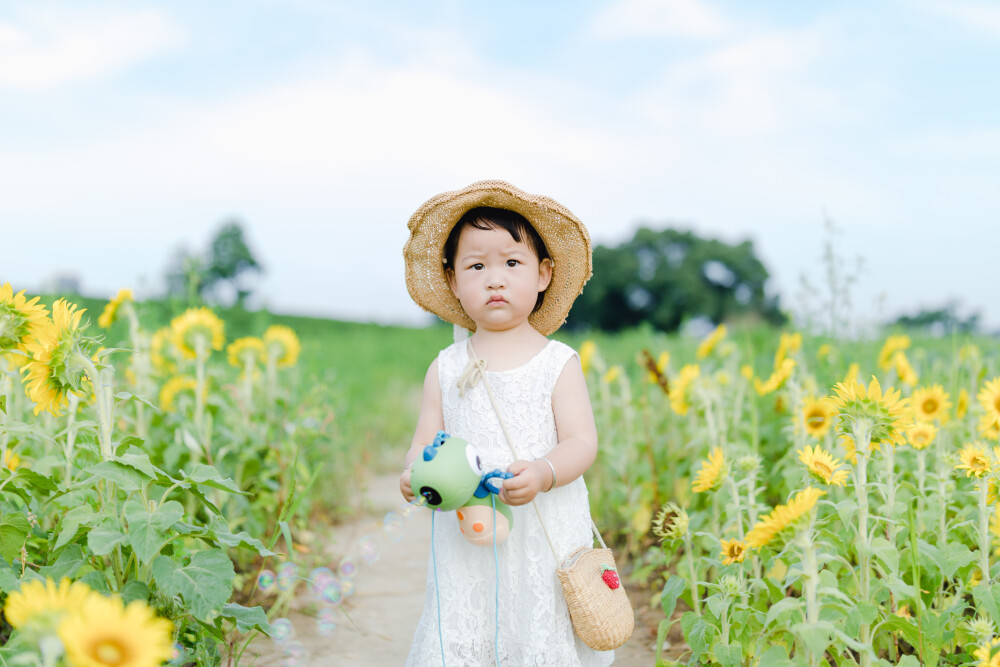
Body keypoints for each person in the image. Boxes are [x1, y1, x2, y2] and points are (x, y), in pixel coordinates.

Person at [400, 180, 614, 666]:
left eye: (511, 264)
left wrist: (542, 471)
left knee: (536, 622)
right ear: (453, 281)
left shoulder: (557, 362)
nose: (494, 279)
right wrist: (414, 473)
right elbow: (423, 443)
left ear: (542, 274)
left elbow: (582, 441)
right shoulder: (446, 366)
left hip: (544, 530)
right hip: (468, 531)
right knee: (466, 617)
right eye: (476, 266)